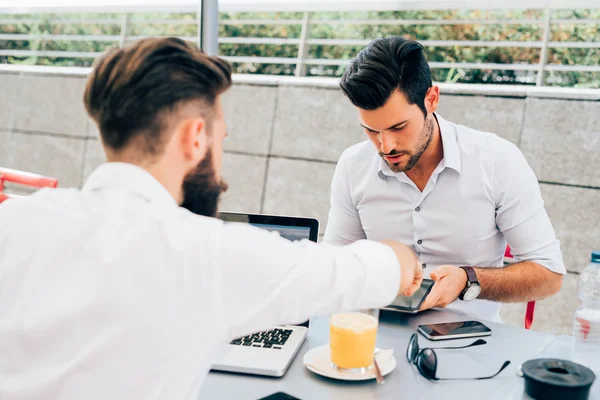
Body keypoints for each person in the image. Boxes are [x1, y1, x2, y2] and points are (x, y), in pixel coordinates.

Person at [0, 37, 423, 399]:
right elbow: (369, 269)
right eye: (220, 139)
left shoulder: (15, 221)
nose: (219, 165)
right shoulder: (205, 253)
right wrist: (404, 260)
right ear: (195, 137)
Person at [323, 36, 565, 323]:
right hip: (370, 337)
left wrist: (469, 280)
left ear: (432, 99)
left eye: (398, 127)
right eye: (371, 131)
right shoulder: (354, 165)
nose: (386, 146)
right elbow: (334, 267)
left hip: (469, 341)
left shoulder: (497, 161)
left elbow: (548, 275)